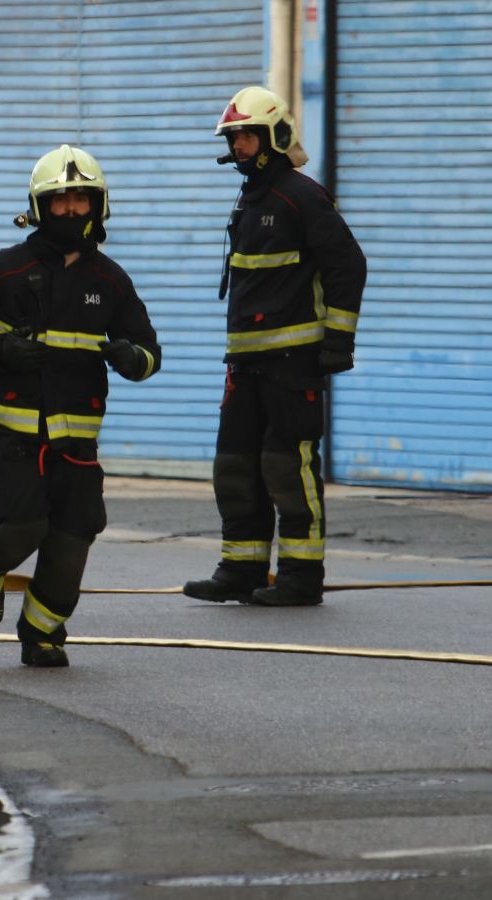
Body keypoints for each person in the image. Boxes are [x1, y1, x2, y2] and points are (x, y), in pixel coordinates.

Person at [0, 144, 161, 667]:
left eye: (81, 200)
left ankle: (42, 633)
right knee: (22, 528)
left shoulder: (111, 281)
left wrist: (132, 358)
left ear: (97, 206)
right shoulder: (2, 270)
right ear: (40, 207)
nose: (70, 209)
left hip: (77, 444)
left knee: (73, 538)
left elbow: (150, 351)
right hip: (11, 436)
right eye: (60, 200)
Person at [182, 86, 367, 607]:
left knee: (287, 468)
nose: (238, 145)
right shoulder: (251, 199)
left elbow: (348, 265)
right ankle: (240, 570)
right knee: (236, 468)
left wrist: (338, 341)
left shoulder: (301, 196)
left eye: (246, 135)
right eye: (233, 137)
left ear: (274, 136)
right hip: (245, 364)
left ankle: (301, 578)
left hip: (292, 363)